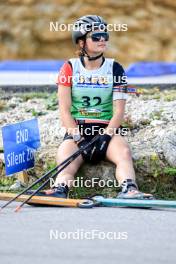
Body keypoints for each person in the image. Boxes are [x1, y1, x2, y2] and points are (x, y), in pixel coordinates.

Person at [45, 15, 153, 200]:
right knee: (65, 162)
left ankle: (129, 189)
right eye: (95, 36)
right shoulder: (69, 67)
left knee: (124, 153)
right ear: (81, 42)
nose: (102, 39)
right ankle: (60, 189)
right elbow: (64, 109)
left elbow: (119, 110)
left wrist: (105, 136)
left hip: (106, 130)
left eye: (105, 35)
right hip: (77, 131)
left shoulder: (115, 68)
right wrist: (79, 138)